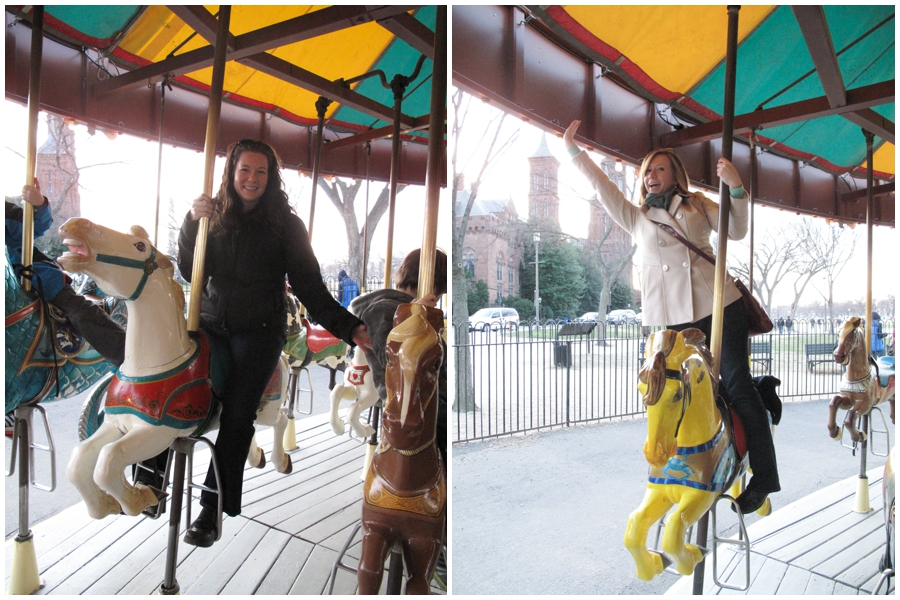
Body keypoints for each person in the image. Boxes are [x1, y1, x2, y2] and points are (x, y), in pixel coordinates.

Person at [564, 120, 779, 514]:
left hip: (718, 305)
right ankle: (689, 468)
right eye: (647, 171)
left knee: (733, 381)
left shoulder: (697, 204)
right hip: (674, 319)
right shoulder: (637, 217)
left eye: (659, 169)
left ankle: (764, 475)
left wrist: (735, 187)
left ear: (675, 175)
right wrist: (575, 153)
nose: (651, 176)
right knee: (676, 394)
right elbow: (603, 187)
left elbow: (738, 230)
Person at [177, 138, 371, 547]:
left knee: (236, 414)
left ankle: (211, 509)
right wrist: (193, 222)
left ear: (271, 177)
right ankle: (150, 475)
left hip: (259, 330)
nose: (252, 179)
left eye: (261, 171)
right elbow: (189, 269)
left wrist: (349, 327)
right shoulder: (214, 215)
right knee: (169, 380)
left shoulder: (285, 224)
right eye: (244, 170)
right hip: (212, 323)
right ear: (231, 173)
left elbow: (310, 287)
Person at [5, 180, 126, 367]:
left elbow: (36, 225)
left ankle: (126, 355)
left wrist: (39, 204)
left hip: (32, 277)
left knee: (76, 309)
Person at [349, 248, 448, 469]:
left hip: (428, 392)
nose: (438, 300)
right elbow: (392, 361)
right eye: (438, 293)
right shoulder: (381, 310)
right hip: (407, 398)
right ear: (428, 283)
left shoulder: (403, 308)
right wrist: (415, 315)